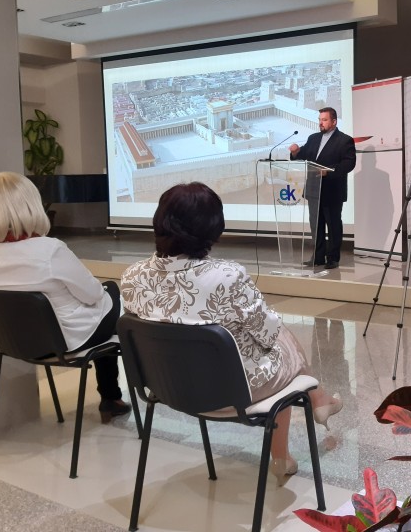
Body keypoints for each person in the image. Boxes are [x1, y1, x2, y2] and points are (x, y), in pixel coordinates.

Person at [120, 182, 343, 484]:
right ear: (214, 228)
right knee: (280, 338)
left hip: (168, 389)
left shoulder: (132, 276)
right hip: (231, 392)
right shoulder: (227, 276)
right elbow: (267, 334)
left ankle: (313, 409)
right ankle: (310, 411)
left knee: (272, 341)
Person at [0, 172, 131, 422]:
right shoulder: (49, 250)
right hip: (62, 342)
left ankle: (112, 398)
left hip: (12, 342)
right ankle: (111, 397)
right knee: (110, 292)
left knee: (101, 303)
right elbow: (93, 294)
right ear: (30, 204)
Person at [289, 107, 356, 269]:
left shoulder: (344, 140)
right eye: (320, 120)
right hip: (314, 189)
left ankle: (332, 258)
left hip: (332, 190)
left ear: (334, 122)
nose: (321, 123)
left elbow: (349, 163)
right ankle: (318, 257)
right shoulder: (313, 138)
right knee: (316, 225)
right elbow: (304, 154)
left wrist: (329, 171)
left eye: (324, 120)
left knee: (333, 226)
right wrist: (296, 152)